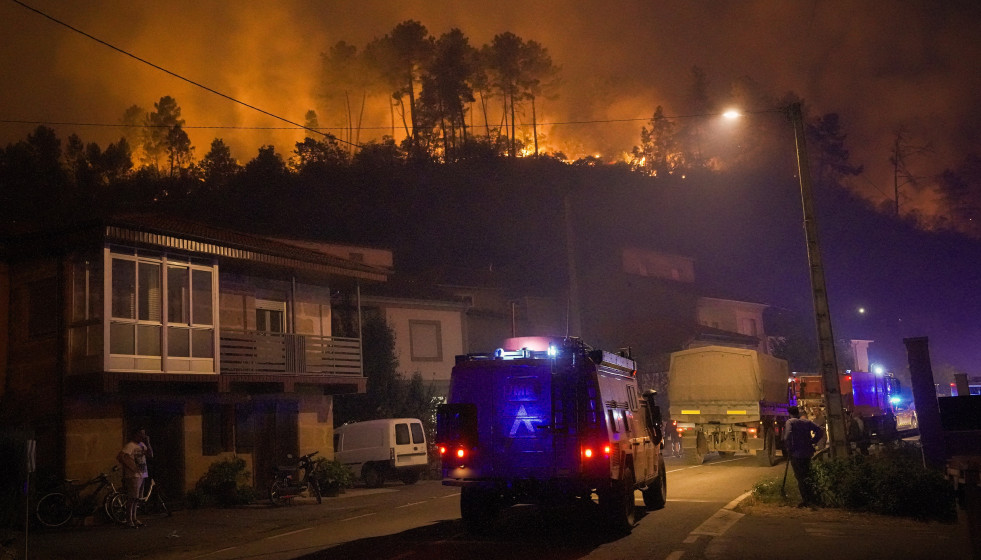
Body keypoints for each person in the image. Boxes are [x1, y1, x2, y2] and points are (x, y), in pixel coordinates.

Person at [783, 405, 824, 508]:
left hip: (796, 453)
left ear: (790, 414)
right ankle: (812, 497)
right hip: (807, 452)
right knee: (807, 474)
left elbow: (787, 435)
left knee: (800, 477)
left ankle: (806, 500)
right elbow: (820, 431)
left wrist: (788, 446)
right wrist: (813, 441)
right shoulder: (807, 422)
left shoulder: (790, 422)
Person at [117, 428, 153, 527]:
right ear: (135, 434)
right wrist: (131, 467)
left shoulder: (142, 445)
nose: (143, 436)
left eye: (144, 434)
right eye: (141, 434)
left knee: (137, 498)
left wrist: (148, 443)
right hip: (133, 476)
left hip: (142, 474)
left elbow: (150, 455)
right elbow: (120, 456)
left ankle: (134, 518)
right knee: (132, 497)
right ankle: (129, 520)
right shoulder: (130, 445)